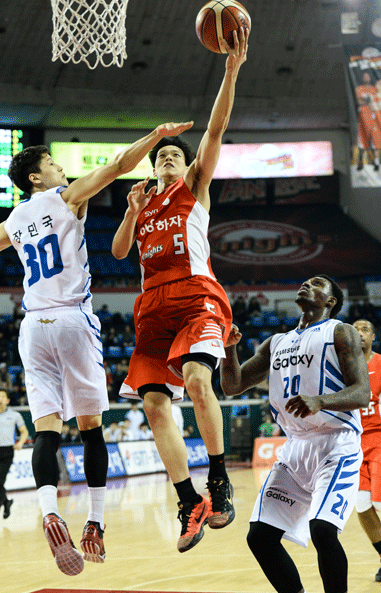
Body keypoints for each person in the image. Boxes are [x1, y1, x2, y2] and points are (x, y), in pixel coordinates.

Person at [0, 120, 193, 576]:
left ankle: (48, 512)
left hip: (32, 325)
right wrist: (156, 137)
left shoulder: (14, 219)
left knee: (46, 429)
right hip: (73, 320)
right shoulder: (65, 198)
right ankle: (94, 522)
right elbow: (119, 165)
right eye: (54, 165)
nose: (61, 169)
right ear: (37, 178)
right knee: (92, 426)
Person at [111, 27, 249, 553]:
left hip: (196, 295)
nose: (166, 158)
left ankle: (218, 477)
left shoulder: (194, 186)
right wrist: (129, 212)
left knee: (195, 378)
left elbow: (214, 130)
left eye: (173, 155)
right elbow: (121, 253)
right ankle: (188, 498)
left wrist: (230, 69)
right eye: (160, 156)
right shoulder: (143, 208)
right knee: (151, 404)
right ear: (151, 167)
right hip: (151, 307)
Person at [220, 275, 370, 593]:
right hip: (295, 448)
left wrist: (320, 401)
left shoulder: (339, 332)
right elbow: (232, 385)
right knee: (259, 536)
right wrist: (228, 349)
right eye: (305, 281)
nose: (306, 284)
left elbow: (362, 392)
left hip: (336, 443)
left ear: (331, 301)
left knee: (323, 530)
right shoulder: (276, 343)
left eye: (316, 283)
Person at [352, 319, 381, 582]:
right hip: (353, 443)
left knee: (380, 503)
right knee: (361, 506)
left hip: (380, 439)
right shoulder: (342, 368)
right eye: (355, 329)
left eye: (364, 329)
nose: (359, 333)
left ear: (372, 336)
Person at [0, 388, 28, 527]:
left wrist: (20, 442)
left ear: (7, 400)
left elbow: (24, 431)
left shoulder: (15, 415)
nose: (0, 398)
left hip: (7, 452)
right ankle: (6, 502)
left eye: (3, 396)